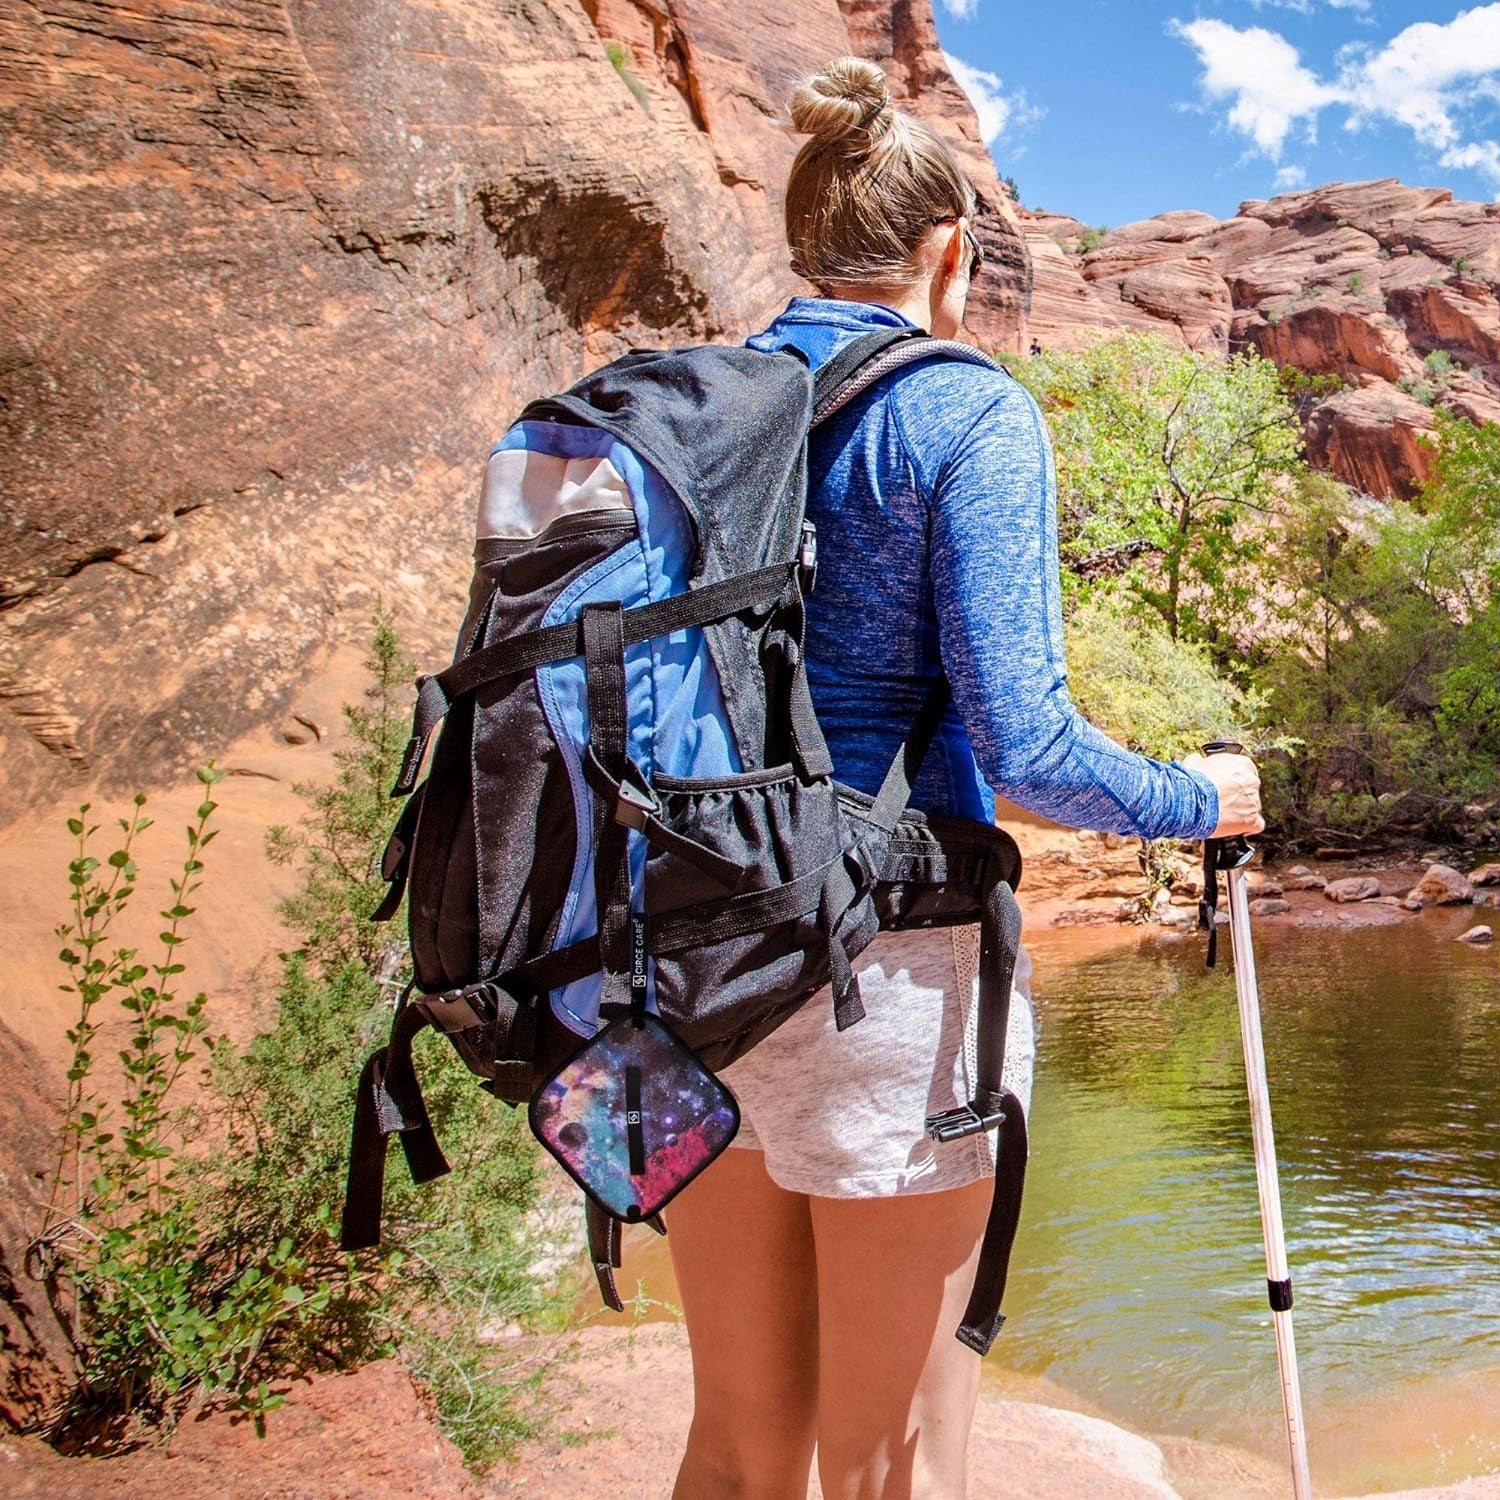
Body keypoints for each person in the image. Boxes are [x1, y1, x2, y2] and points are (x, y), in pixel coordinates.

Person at [663, 56, 1263, 1500]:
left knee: (738, 1451)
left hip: (667, 969)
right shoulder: (965, 414)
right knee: (897, 1463)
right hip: (883, 982)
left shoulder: (686, 410)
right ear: (948, 251)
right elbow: (1032, 749)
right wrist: (1206, 798)